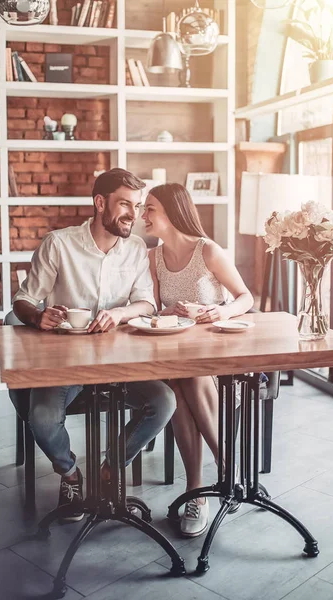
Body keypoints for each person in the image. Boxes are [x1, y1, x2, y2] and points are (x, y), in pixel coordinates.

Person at [11, 168, 176, 522]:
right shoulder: (59, 244)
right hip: (66, 362)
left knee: (164, 401)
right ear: (100, 203)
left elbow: (147, 303)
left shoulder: (136, 250)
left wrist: (119, 314)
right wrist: (37, 316)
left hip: (121, 361)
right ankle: (70, 474)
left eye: (138, 205)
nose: (133, 213)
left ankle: (109, 470)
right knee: (41, 416)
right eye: (124, 204)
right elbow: (23, 300)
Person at [142, 182, 254, 538]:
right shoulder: (152, 258)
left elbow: (245, 297)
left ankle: (200, 488)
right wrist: (170, 311)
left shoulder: (208, 251)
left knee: (185, 377)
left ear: (172, 213)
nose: (144, 215)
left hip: (218, 355)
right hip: (178, 355)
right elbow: (156, 310)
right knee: (179, 378)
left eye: (150, 209)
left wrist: (216, 311)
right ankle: (221, 474)